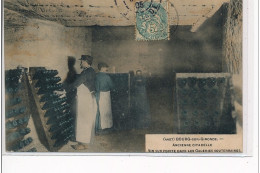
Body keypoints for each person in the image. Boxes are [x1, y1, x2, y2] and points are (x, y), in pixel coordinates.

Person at [66, 55, 97, 150]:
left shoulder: (87, 72)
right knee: (85, 120)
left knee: (83, 121)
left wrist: (63, 91)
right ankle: (84, 142)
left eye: (81, 61)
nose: (80, 63)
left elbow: (76, 83)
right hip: (86, 98)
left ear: (85, 62)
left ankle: (83, 144)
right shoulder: (90, 71)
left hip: (85, 99)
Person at [95, 62, 114, 133]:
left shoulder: (96, 76)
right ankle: (106, 126)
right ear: (102, 68)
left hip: (98, 94)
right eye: (106, 68)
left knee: (100, 110)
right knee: (106, 111)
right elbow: (112, 86)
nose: (107, 69)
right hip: (105, 94)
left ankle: (100, 126)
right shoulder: (107, 77)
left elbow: (96, 87)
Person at [63, 56, 78, 141]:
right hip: (71, 96)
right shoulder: (71, 71)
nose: (68, 64)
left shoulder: (72, 72)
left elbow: (69, 84)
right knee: (70, 115)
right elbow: (66, 82)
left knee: (71, 115)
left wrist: (62, 88)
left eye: (69, 62)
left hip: (71, 96)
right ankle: (71, 135)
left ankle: (72, 136)